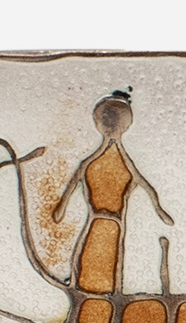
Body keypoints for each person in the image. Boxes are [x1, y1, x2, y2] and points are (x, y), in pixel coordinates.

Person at [54, 89, 174, 295]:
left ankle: (94, 294)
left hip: (106, 223)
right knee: (97, 260)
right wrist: (159, 210)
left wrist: (61, 209)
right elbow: (147, 188)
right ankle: (91, 292)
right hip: (107, 222)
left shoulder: (95, 163)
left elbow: (147, 187)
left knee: (103, 261)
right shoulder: (111, 163)